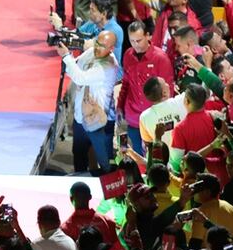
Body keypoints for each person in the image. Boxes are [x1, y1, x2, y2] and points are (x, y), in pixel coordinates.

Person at [58, 30, 120, 174]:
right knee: (79, 158)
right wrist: (70, 61)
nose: (98, 48)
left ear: (111, 49)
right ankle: (81, 192)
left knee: (105, 164)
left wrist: (66, 56)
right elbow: (75, 68)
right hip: (81, 119)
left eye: (103, 46)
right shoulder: (92, 51)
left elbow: (79, 77)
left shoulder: (108, 66)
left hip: (98, 122)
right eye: (97, 43)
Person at [118, 21, 171, 155]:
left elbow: (167, 92)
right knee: (136, 156)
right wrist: (119, 106)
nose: (136, 45)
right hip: (133, 118)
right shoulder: (128, 55)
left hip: (154, 120)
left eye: (139, 40)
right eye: (132, 41)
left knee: (157, 157)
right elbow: (125, 83)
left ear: (148, 36)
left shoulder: (161, 59)